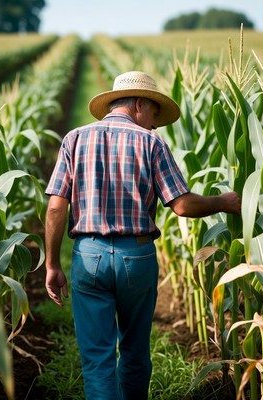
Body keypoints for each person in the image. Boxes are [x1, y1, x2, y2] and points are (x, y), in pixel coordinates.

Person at [44, 70, 241, 400]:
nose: (155, 124)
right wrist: (223, 202)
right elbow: (180, 205)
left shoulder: (74, 139)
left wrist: (52, 264)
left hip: (88, 256)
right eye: (154, 114)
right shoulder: (152, 143)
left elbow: (54, 207)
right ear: (139, 104)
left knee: (97, 360)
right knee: (135, 352)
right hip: (136, 257)